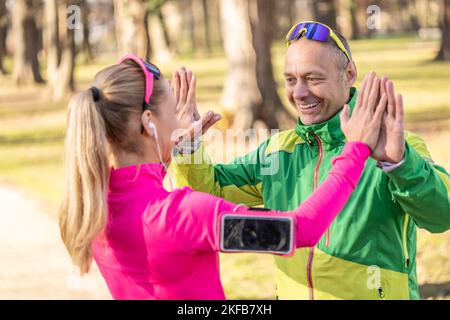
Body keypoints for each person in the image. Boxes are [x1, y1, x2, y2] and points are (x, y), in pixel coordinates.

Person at [59, 54, 386, 300]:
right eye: (173, 111)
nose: (179, 120)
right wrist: (355, 150)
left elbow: (139, 190)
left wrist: (171, 150)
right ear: (148, 123)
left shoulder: (95, 204)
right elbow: (298, 230)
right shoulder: (187, 215)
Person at [171, 21, 450, 299]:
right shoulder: (277, 152)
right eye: (291, 80)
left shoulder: (396, 146)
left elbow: (441, 215)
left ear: (349, 74)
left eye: (313, 78)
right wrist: (188, 148)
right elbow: (209, 197)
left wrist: (400, 164)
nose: (299, 93)